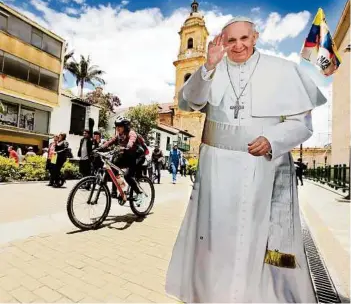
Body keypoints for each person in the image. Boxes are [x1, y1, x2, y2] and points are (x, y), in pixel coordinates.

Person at [165, 16, 327, 303]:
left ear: (255, 37)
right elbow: (190, 101)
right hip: (215, 170)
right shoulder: (211, 68)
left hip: (261, 169)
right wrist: (209, 66)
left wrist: (273, 140)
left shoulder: (282, 71)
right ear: (222, 42)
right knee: (213, 239)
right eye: (231, 40)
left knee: (254, 239)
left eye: (244, 38)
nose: (238, 45)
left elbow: (302, 124)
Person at [97, 116, 146, 204]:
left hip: (138, 157)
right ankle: (121, 189)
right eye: (116, 126)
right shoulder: (119, 135)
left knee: (127, 175)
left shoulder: (131, 133)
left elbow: (131, 141)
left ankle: (139, 193)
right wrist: (99, 148)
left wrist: (127, 147)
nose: (117, 128)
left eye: (120, 126)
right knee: (112, 167)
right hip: (127, 156)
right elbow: (110, 142)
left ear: (126, 127)